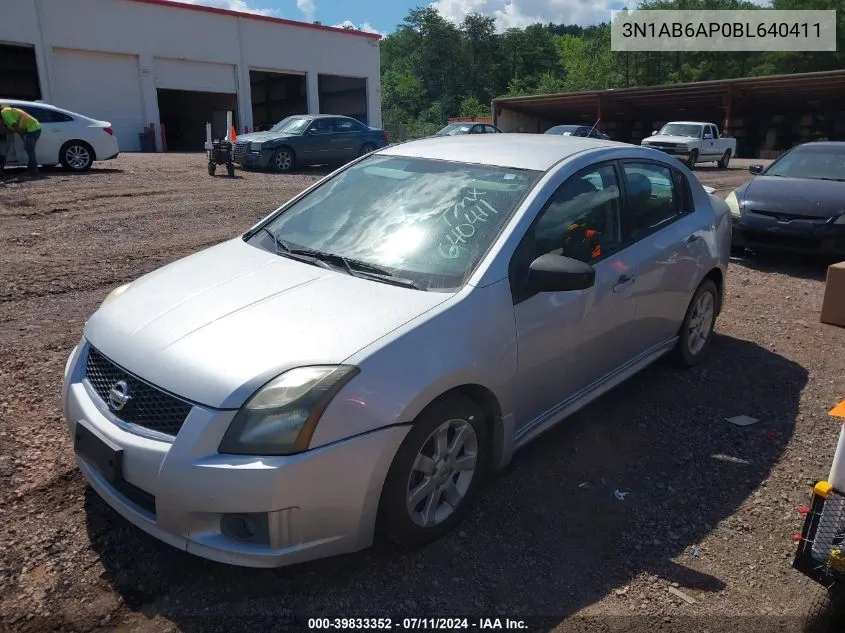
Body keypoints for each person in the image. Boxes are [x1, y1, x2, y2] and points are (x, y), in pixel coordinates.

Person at [0, 104, 42, 175]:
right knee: (29, 149)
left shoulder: (4, 112)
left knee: (30, 150)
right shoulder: (9, 112)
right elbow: (17, 129)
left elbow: (15, 125)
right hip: (33, 128)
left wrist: (22, 136)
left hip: (32, 129)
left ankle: (34, 170)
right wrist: (23, 139)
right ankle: (31, 169)